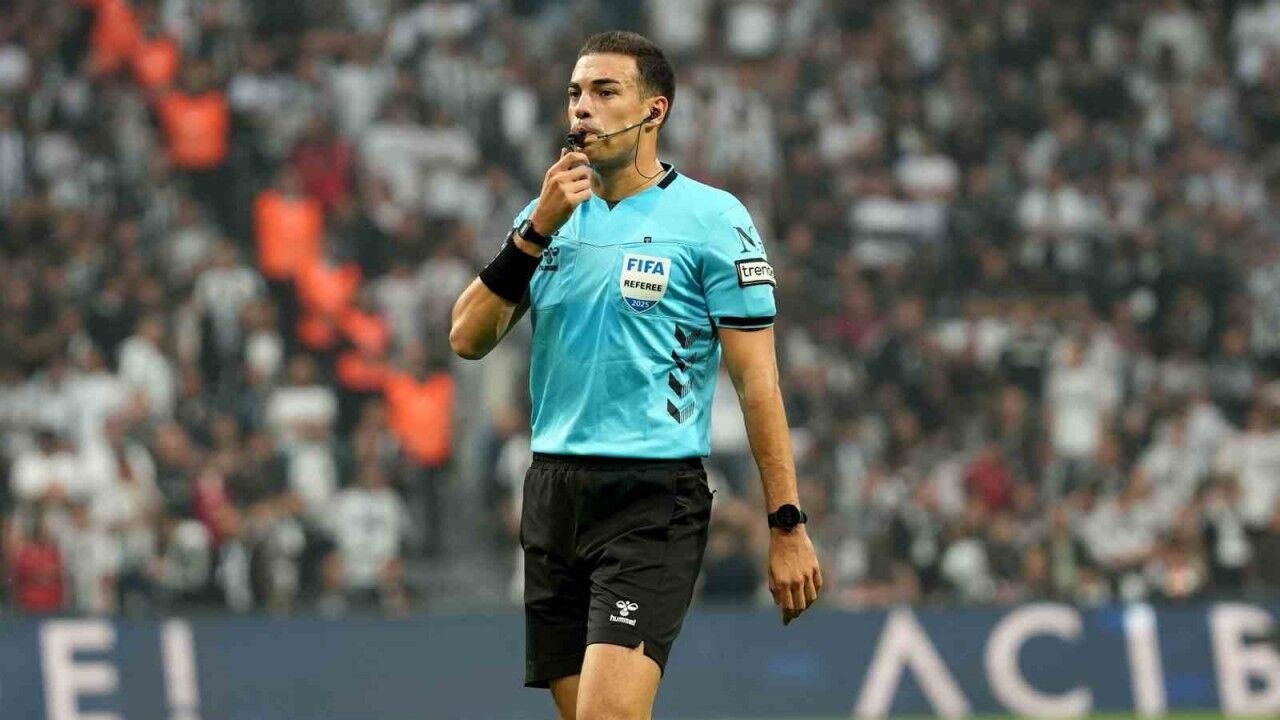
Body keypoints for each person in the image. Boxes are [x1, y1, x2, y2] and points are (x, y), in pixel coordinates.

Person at [449, 30, 821, 720]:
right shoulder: (546, 215)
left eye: (603, 90)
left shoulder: (713, 220)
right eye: (574, 93)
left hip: (651, 496)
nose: (581, 107)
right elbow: (466, 337)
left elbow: (758, 385)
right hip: (553, 493)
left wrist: (786, 522)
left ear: (655, 110)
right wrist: (536, 228)